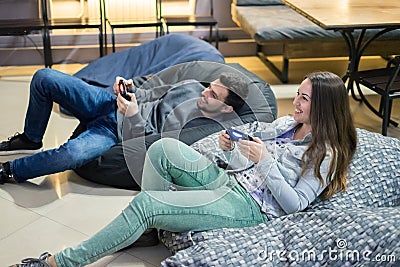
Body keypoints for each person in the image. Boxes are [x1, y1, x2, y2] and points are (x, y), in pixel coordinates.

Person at [12, 71, 357, 267]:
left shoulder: (326, 152)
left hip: (251, 208)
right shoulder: (287, 125)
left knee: (146, 205)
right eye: (297, 93)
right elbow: (245, 163)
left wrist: (263, 160)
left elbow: (295, 203)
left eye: (304, 98)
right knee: (163, 149)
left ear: (323, 106)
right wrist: (233, 149)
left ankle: (59, 263)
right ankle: (150, 228)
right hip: (231, 182)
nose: (295, 101)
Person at [0, 69, 249, 184]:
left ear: (227, 108)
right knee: (45, 78)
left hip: (114, 131)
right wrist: (129, 87)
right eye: (209, 87)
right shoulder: (194, 85)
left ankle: (10, 171)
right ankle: (30, 138)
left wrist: (133, 116)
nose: (205, 93)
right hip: (110, 103)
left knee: (72, 154)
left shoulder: (199, 129)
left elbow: (151, 146)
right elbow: (153, 87)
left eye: (214, 95)